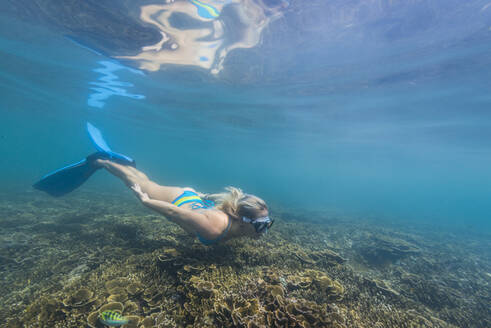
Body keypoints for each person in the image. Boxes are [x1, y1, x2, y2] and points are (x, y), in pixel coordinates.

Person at [33, 123, 274, 245]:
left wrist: (205, 196)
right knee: (138, 183)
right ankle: (101, 162)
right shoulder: (213, 227)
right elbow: (172, 211)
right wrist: (145, 201)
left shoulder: (235, 222)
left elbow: (221, 205)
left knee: (146, 180)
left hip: (195, 199)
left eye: (266, 224)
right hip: (180, 200)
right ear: (244, 221)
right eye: (261, 225)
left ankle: (124, 163)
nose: (264, 231)